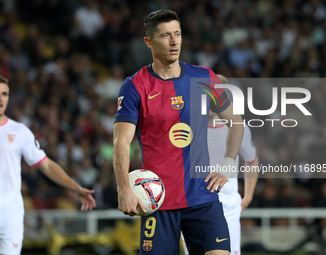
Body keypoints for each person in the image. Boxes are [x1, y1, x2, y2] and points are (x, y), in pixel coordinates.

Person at [113, 10, 244, 255]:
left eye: (177, 34)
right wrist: (124, 189)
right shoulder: (135, 86)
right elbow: (121, 141)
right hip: (158, 202)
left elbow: (236, 122)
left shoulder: (204, 77)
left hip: (203, 198)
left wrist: (227, 164)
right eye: (165, 36)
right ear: (148, 42)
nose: (174, 42)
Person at [0, 76, 96, 255]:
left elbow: (46, 166)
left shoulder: (19, 132)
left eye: (4, 94)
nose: (1, 98)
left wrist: (75, 188)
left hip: (10, 212)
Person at [182, 74, 259, 255]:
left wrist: (247, 196)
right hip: (194, 202)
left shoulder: (240, 128)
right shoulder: (186, 127)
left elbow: (251, 159)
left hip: (227, 205)